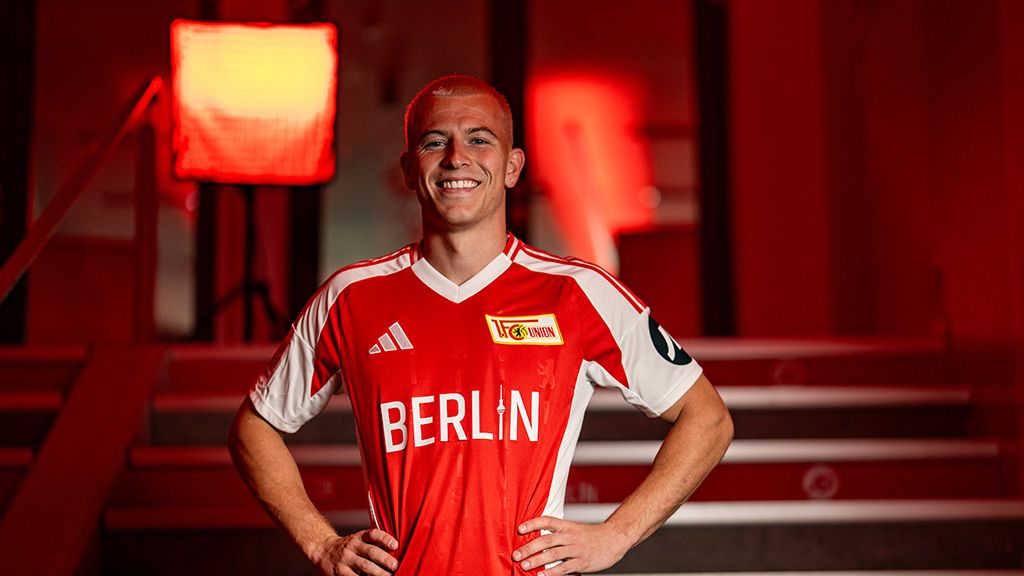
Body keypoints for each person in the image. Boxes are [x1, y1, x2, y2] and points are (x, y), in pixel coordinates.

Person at [228, 74, 733, 576]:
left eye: (479, 139)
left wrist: (616, 536)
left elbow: (707, 418)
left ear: (512, 167)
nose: (456, 158)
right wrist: (320, 543)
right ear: (409, 170)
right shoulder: (350, 297)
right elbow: (255, 426)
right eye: (434, 142)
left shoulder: (579, 293)